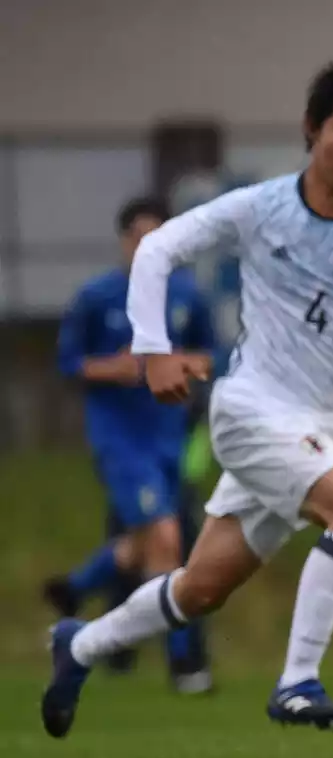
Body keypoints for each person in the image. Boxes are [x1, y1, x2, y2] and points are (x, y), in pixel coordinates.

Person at [41, 57, 333, 739]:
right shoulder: (258, 209)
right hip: (250, 412)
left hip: (317, 424)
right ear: (311, 128)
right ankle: (297, 682)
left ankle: (79, 645)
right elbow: (155, 253)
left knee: (200, 588)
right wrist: (152, 352)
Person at [48, 195, 216, 693]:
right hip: (120, 440)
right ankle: (185, 665)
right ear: (123, 241)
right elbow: (69, 363)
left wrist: (183, 363)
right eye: (138, 237)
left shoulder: (187, 296)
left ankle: (76, 591)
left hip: (170, 436)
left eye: (157, 238)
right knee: (167, 538)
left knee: (144, 545)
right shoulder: (97, 296)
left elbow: (212, 355)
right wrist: (114, 367)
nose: (147, 247)